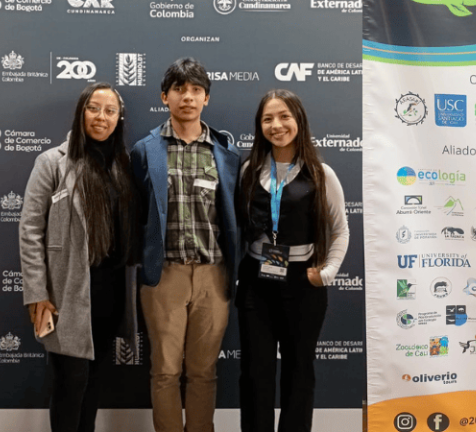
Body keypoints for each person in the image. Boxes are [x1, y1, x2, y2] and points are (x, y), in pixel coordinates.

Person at [20, 82, 140, 432]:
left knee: (93, 385)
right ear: (81, 111)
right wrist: (38, 293)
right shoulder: (51, 162)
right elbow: (29, 231)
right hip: (66, 294)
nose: (101, 117)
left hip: (109, 292)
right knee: (70, 385)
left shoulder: (122, 165)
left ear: (119, 119)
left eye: (109, 111)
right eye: (93, 108)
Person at [130, 58, 240, 432]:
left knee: (204, 372)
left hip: (214, 274)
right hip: (165, 276)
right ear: (165, 97)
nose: (187, 97)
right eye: (179, 89)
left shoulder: (225, 153)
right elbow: (135, 214)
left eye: (195, 90)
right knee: (164, 371)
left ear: (206, 98)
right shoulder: (146, 150)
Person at [237, 89, 349, 432]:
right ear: (260, 126)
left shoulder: (321, 173)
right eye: (268, 118)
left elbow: (341, 229)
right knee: (256, 372)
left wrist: (327, 273)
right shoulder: (249, 169)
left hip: (303, 282)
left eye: (284, 116)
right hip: (257, 282)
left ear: (299, 120)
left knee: (299, 370)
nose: (277, 125)